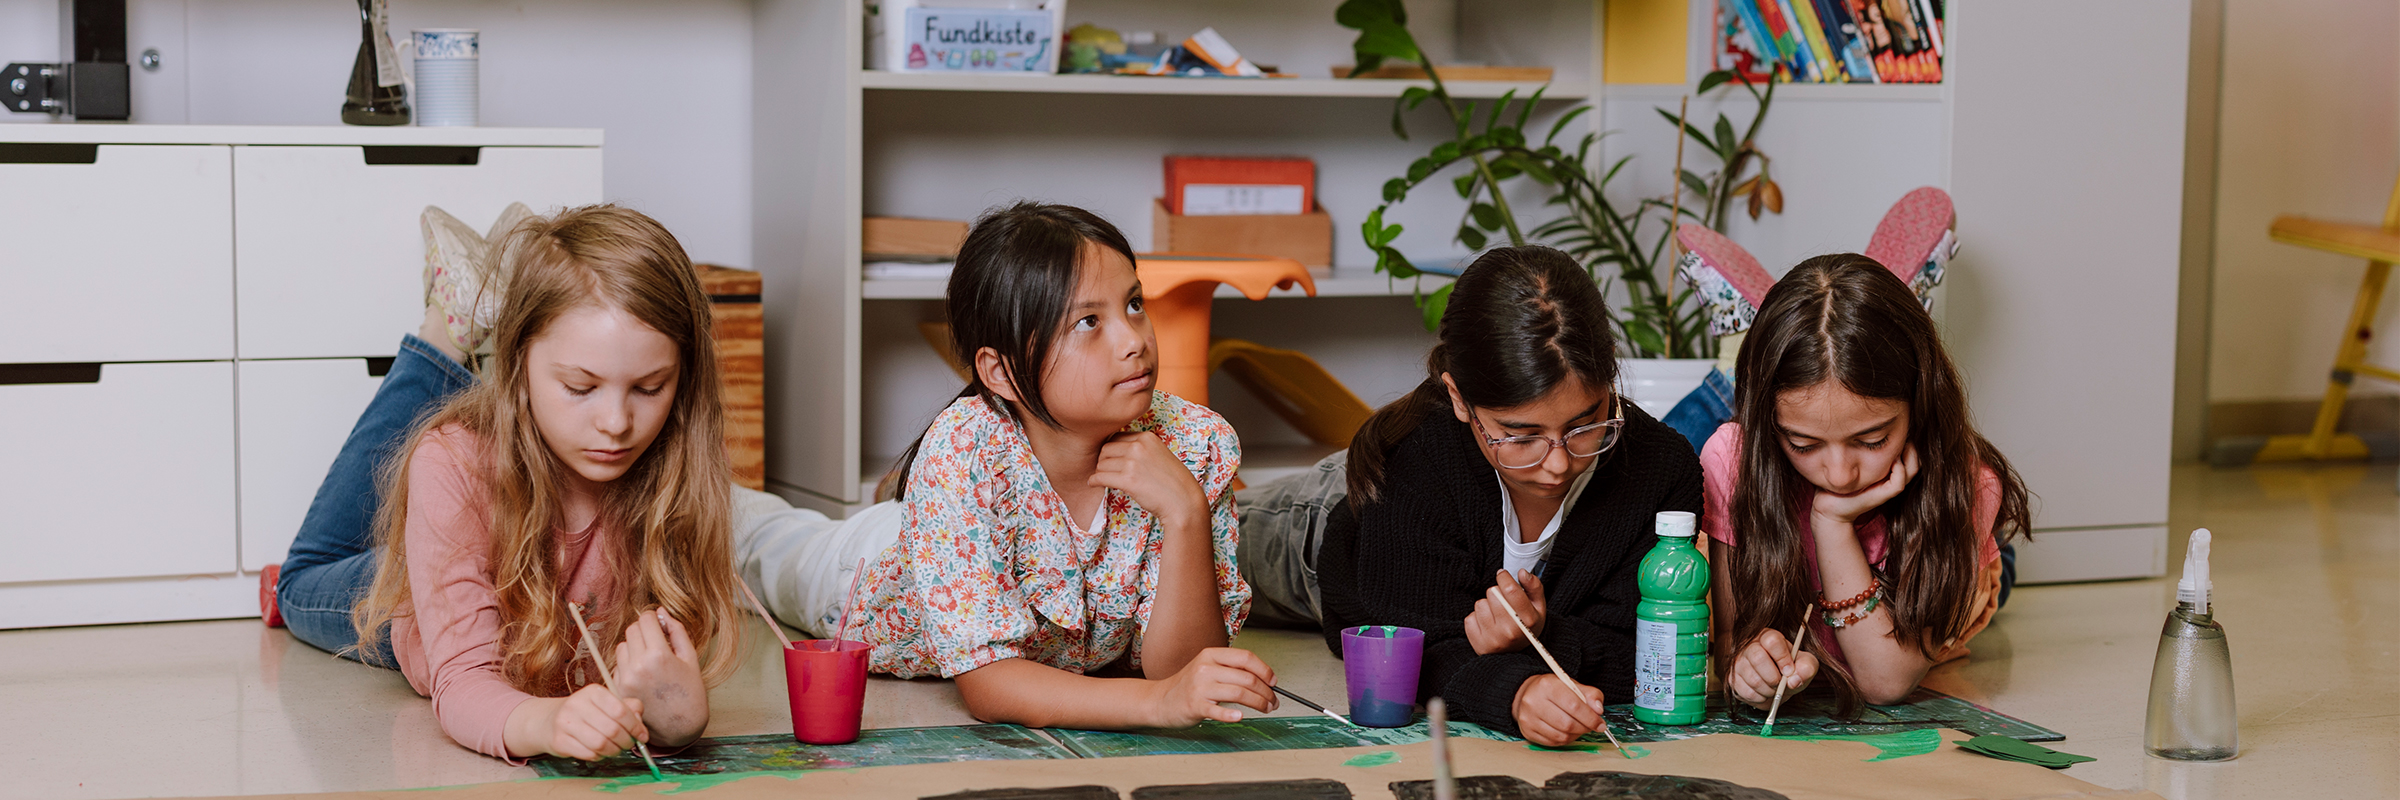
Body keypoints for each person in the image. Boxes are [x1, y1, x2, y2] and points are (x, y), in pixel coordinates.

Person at [738, 202, 1276, 730]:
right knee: (758, 539)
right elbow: (991, 687)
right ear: (1001, 372)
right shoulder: (965, 450)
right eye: (1089, 321)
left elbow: (1187, 675)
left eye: (1134, 304)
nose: (1134, 341)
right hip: (859, 574)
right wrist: (1154, 705)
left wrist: (1186, 515)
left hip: (951, 531)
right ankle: (731, 501)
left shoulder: (1194, 443)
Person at [274, 205, 744, 762]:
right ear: (517, 361)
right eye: (579, 386)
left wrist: (679, 715)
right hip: (438, 585)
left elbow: (662, 687)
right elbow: (464, 679)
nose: (617, 424)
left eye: (649, 388)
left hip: (521, 602)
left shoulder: (682, 464)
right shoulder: (454, 464)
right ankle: (445, 333)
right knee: (298, 582)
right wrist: (547, 722)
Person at [1239, 245, 1704, 746]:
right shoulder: (1415, 462)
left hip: (1423, 512)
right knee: (1182, 543)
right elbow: (1407, 650)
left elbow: (1649, 651)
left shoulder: (1663, 468)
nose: (1558, 464)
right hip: (1321, 527)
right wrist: (1517, 691)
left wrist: (1541, 633)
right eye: (1521, 436)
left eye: (1585, 424)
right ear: (1460, 400)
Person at [1704, 254, 2031, 713]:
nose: (1839, 474)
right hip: (1877, 559)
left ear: (1920, 404)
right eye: (1803, 443)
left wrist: (1832, 523)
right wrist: (1747, 665)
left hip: (1947, 554)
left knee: (1995, 580)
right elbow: (1729, 640)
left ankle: (1995, 554)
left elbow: (1885, 682)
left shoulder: (1970, 485)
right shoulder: (1732, 461)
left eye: (1872, 439)